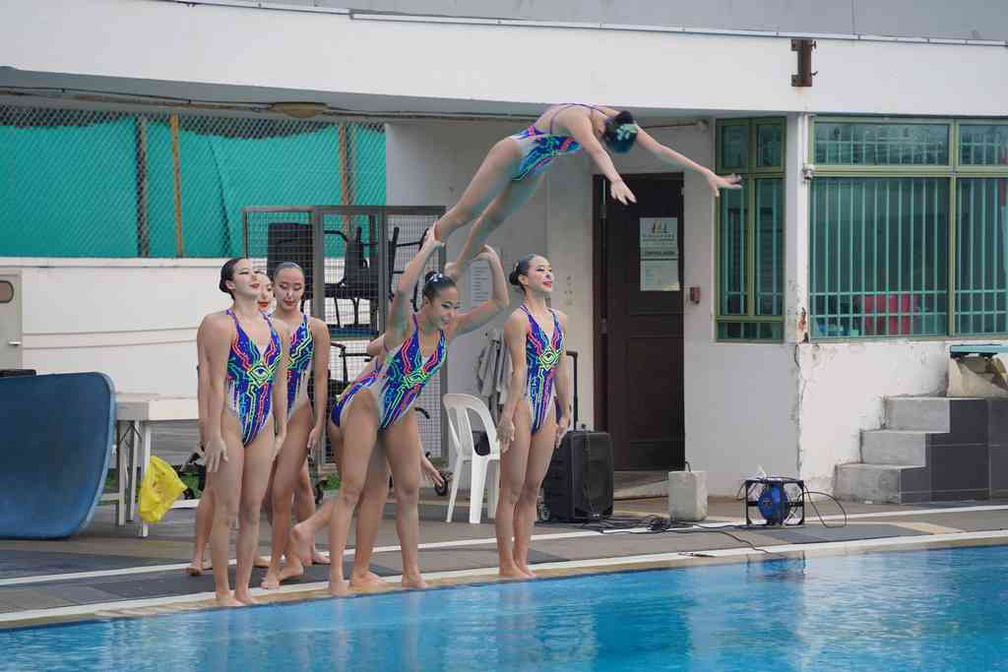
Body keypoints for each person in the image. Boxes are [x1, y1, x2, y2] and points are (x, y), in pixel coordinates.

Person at [291, 240, 509, 596]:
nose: (451, 314)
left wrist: (494, 261)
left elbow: (500, 304)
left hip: (400, 412)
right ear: (426, 304)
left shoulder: (448, 331)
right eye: (445, 306)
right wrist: (429, 248)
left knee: (407, 491)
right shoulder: (403, 327)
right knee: (352, 490)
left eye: (455, 307)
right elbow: (404, 286)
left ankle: (410, 572)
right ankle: (336, 577)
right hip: (368, 405)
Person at [423, 103, 741, 278]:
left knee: (494, 219)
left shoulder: (621, 121)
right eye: (604, 138)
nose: (603, 141)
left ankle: (457, 267)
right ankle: (432, 238)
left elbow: (658, 149)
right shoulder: (577, 116)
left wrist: (704, 172)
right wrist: (615, 179)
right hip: (514, 153)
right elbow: (595, 151)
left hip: (538, 165)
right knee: (469, 211)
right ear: (603, 130)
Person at [198, 258, 289, 606]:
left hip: (263, 424)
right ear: (229, 285)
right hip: (231, 421)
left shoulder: (278, 329)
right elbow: (213, 383)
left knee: (252, 510)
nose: (254, 277)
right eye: (244, 273)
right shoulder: (220, 325)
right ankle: (222, 590)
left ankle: (242, 589)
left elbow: (280, 384)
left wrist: (281, 430)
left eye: (256, 271)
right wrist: (212, 432)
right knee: (228, 509)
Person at [495, 254, 571, 579]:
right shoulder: (518, 320)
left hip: (548, 407)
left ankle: (522, 560)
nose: (548, 274)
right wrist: (506, 416)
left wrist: (567, 411)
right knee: (510, 490)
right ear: (524, 279)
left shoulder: (560, 320)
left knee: (531, 489)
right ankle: (505, 563)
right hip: (524, 405)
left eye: (550, 269)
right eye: (540, 270)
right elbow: (518, 371)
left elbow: (561, 368)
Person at [261, 262, 333, 589]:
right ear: (272, 287)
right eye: (284, 287)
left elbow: (320, 377)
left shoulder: (315, 328)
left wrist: (318, 421)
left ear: (305, 289)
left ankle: (285, 563)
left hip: (298, 413)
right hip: (263, 418)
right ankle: (293, 552)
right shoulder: (260, 324)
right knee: (264, 496)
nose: (290, 294)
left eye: (297, 288)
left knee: (282, 492)